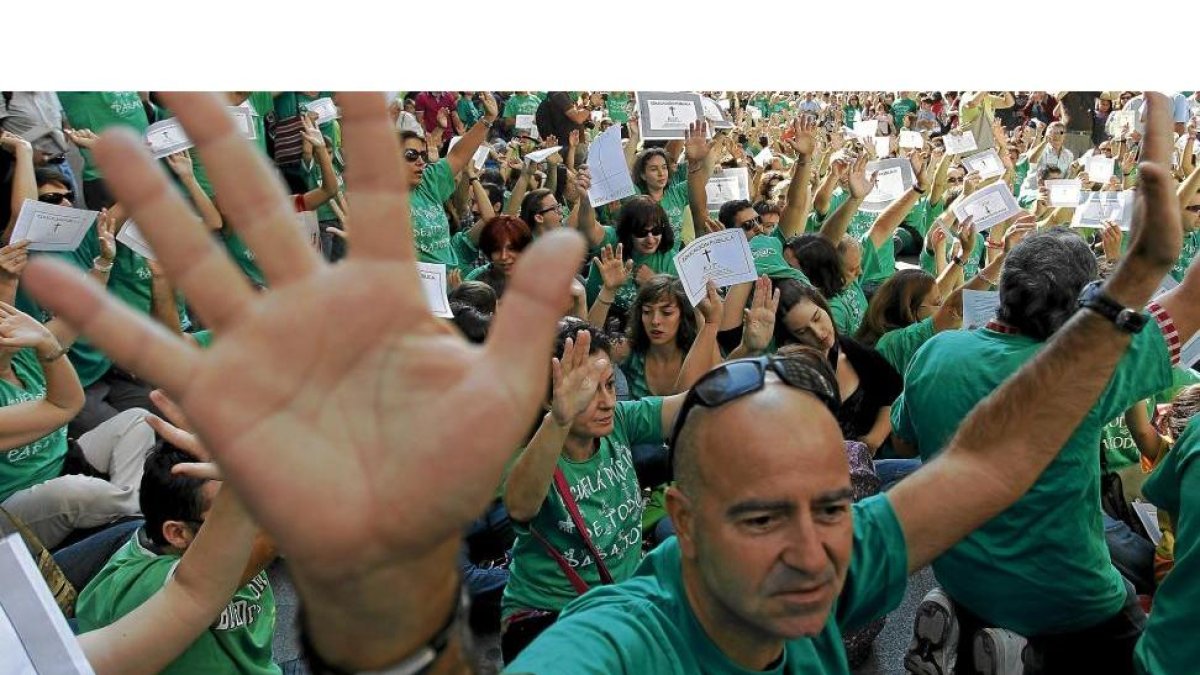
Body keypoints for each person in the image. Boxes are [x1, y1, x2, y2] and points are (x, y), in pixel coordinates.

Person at [894, 97, 1200, 673]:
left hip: (960, 570)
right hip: (1070, 598)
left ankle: (975, 625)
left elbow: (907, 441)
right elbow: (1191, 301)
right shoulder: (1089, 374)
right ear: (1081, 310)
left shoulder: (936, 351)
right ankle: (1030, 654)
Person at [76, 439, 278, 674]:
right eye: (230, 510)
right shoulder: (150, 584)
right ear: (177, 533)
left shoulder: (198, 546)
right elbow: (271, 537)